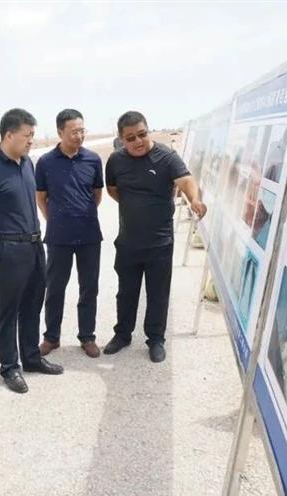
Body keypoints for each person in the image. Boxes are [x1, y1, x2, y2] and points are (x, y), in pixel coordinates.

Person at [0, 108, 64, 394]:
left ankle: (31, 358)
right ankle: (10, 367)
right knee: (9, 310)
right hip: (6, 248)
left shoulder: (26, 163)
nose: (31, 140)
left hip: (33, 245)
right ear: (9, 135)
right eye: (27, 135)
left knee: (33, 304)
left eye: (33, 135)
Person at [104, 111, 207, 363]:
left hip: (159, 242)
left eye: (142, 134)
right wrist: (134, 208)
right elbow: (113, 189)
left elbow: (186, 179)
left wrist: (194, 199)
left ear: (148, 130)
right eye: (130, 138)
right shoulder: (116, 160)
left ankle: (156, 339)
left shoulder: (166, 157)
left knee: (158, 293)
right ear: (121, 139)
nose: (138, 141)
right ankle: (122, 334)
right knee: (126, 292)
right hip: (128, 242)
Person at [36, 109, 103, 358]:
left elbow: (97, 195)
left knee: (89, 287)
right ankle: (51, 337)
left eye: (82, 131)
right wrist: (54, 220)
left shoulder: (93, 160)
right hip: (58, 237)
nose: (79, 136)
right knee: (55, 288)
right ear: (60, 132)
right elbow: (41, 198)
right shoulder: (45, 162)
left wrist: (82, 214)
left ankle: (87, 336)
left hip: (89, 235)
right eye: (74, 131)